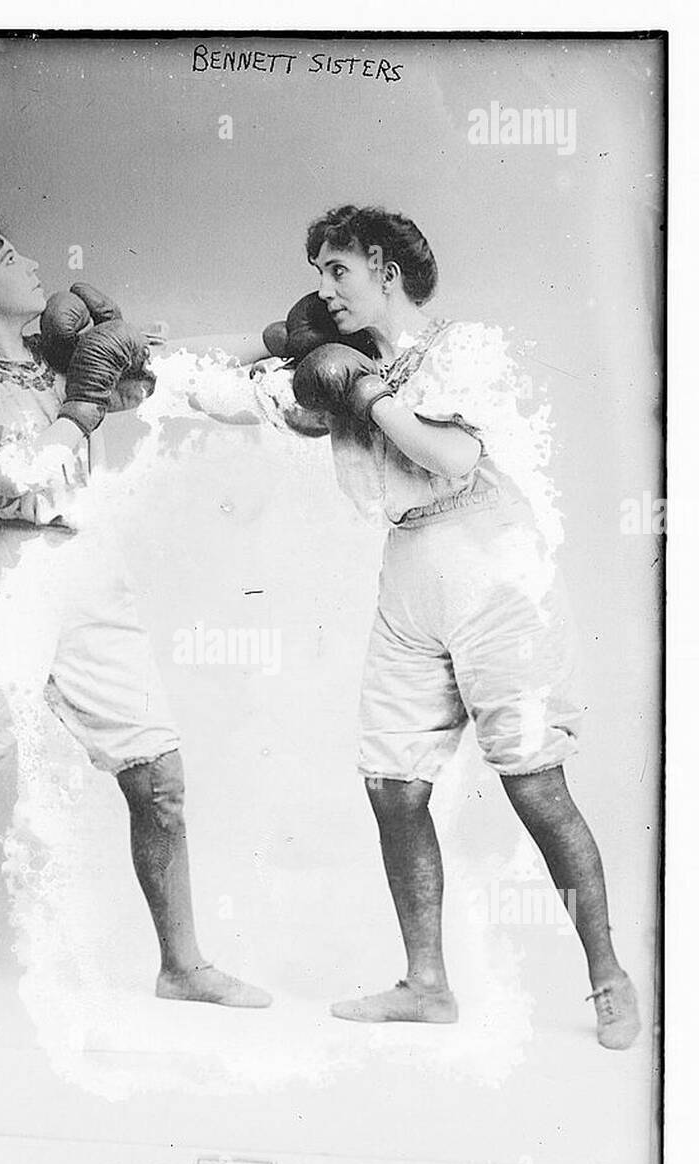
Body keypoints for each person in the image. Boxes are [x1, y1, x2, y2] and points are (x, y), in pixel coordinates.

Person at [0, 206, 271, 1011]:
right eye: (10, 257)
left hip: (86, 569)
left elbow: (174, 365)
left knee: (158, 776)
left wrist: (279, 337)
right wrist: (79, 409)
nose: (33, 264)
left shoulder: (60, 359)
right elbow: (12, 477)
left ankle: (182, 966)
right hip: (3, 577)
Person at [243, 205, 640, 1049]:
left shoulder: (461, 348)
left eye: (338, 270)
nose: (325, 289)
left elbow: (453, 458)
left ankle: (608, 975)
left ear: (385, 269)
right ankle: (426, 984)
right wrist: (157, 363)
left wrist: (367, 392)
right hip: (411, 572)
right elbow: (249, 397)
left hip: (494, 569)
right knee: (392, 785)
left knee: (536, 786)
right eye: (318, 274)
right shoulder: (342, 364)